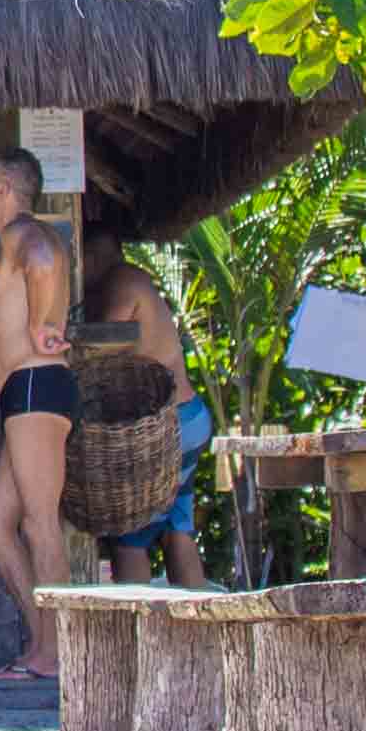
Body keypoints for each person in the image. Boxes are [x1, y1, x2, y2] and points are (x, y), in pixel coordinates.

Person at [0, 148, 77, 679]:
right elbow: (4, 309)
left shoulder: (26, 234)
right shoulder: (12, 241)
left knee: (41, 524)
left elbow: (46, 261)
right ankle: (41, 642)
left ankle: (61, 654)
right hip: (22, 395)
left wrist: (47, 325)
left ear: (4, 188)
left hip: (34, 388)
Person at [87, 227, 215, 589]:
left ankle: (136, 639)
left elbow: (101, 344)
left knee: (129, 534)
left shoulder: (122, 282)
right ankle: (196, 634)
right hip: (188, 419)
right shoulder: (134, 279)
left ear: (93, 258)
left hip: (166, 428)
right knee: (178, 529)